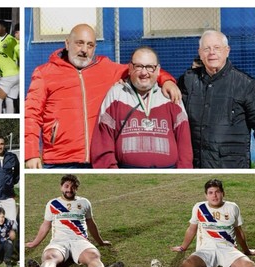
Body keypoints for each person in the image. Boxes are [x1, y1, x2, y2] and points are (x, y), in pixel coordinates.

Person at [25, 23, 181, 169]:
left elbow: (140, 70)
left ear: (95, 48)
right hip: (59, 160)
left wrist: (166, 80)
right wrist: (31, 153)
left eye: (90, 45)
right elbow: (31, 114)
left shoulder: (107, 68)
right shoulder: (45, 73)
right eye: (79, 43)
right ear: (67, 43)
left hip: (99, 159)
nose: (84, 50)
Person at [90, 46, 193, 168]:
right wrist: (112, 173)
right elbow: (103, 143)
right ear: (130, 68)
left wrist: (182, 173)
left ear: (158, 70)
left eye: (150, 67)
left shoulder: (170, 95)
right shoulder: (116, 94)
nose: (144, 73)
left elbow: (184, 145)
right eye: (138, 66)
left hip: (167, 172)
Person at [178, 30, 255, 168]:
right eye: (206, 49)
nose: (212, 52)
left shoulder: (246, 85)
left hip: (232, 166)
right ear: (200, 53)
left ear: (227, 51)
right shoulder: (188, 81)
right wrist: (167, 82)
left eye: (217, 48)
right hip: (195, 166)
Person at [151, 179, 255, 267]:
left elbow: (238, 231)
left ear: (223, 193)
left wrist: (246, 251)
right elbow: (192, 229)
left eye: (217, 192)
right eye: (211, 193)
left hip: (228, 249)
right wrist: (183, 247)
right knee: (188, 265)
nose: (214, 196)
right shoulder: (199, 207)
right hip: (206, 249)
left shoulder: (232, 207)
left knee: (249, 266)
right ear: (206, 195)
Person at [25, 174, 124, 267]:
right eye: (66, 186)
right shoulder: (52, 204)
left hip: (80, 240)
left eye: (73, 187)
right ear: (61, 187)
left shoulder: (84, 202)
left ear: (77, 188)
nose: (69, 190)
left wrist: (100, 242)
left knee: (93, 256)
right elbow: (46, 225)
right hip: (59, 241)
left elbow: (91, 223)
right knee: (49, 257)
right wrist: (34, 243)